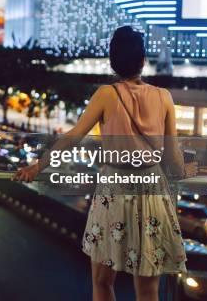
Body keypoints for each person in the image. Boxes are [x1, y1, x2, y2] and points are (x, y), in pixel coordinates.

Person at [14, 26, 197, 301]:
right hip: (151, 188)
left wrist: (37, 167)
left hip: (115, 190)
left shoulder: (106, 94)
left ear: (112, 62)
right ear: (143, 60)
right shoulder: (164, 97)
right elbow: (172, 157)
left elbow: (73, 137)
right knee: (148, 289)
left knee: (102, 281)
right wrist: (186, 172)